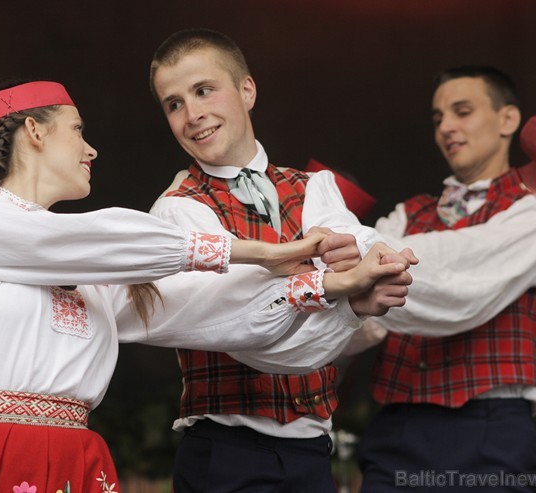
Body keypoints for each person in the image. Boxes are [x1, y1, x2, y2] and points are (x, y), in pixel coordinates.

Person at [0, 80, 410, 493]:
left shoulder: (97, 265)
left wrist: (335, 289)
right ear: (34, 130)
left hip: (77, 455)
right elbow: (93, 238)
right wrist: (268, 251)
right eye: (78, 131)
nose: (91, 147)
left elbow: (207, 311)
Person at [147, 28, 416, 493]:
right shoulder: (178, 209)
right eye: (174, 104)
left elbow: (360, 243)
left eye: (204, 90)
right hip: (226, 450)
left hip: (312, 450)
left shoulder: (315, 187)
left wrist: (377, 267)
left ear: (246, 90)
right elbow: (239, 319)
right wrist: (346, 289)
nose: (192, 115)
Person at [348, 66, 536, 492]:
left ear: (508, 119)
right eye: (438, 119)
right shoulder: (406, 214)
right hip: (397, 428)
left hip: (488, 431)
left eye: (462, 111)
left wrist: (352, 255)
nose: (446, 127)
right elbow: (358, 318)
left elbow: (461, 285)